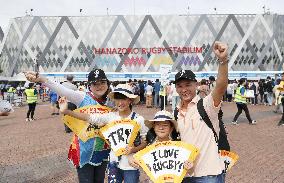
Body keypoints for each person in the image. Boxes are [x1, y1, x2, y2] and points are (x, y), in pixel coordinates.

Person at [24, 69, 111, 183]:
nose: (99, 86)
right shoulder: (82, 97)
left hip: (103, 151)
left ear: (107, 84)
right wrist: (41, 79)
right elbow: (63, 90)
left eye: (102, 82)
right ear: (89, 85)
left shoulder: (112, 101)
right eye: (95, 83)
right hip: (85, 152)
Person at [59, 83, 148, 183]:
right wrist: (67, 111)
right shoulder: (110, 116)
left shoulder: (139, 119)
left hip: (131, 165)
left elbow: (146, 142)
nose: (120, 102)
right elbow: (90, 117)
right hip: (114, 164)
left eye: (124, 99)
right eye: (117, 98)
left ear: (130, 100)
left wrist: (134, 149)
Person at [174, 41, 228, 183]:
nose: (184, 89)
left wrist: (222, 61)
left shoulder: (205, 105)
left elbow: (220, 87)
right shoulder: (176, 112)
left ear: (196, 85)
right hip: (186, 174)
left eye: (188, 85)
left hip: (209, 174)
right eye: (179, 86)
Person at [128, 110, 193, 179]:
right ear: (154, 127)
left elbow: (188, 172)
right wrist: (131, 159)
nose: (161, 128)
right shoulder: (150, 148)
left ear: (171, 128)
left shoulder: (179, 148)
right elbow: (138, 160)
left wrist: (189, 168)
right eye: (158, 125)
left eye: (165, 125)